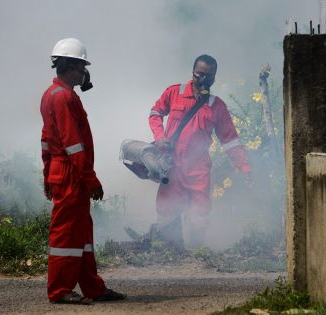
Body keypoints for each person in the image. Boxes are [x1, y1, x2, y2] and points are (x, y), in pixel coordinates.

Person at [40, 38, 125, 304]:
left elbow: (46, 140)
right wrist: (92, 180)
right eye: (81, 67)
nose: (83, 73)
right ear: (69, 66)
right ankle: (60, 290)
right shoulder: (64, 97)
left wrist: (46, 174)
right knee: (66, 234)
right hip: (70, 174)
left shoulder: (51, 95)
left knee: (82, 234)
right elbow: (73, 145)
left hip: (61, 171)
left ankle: (93, 287)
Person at [148, 54, 252, 248]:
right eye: (200, 74)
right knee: (167, 210)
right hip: (172, 165)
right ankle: (168, 252)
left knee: (199, 213)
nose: (204, 79)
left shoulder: (216, 106)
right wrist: (159, 137)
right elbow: (155, 113)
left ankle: (196, 256)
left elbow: (230, 140)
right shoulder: (175, 92)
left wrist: (244, 167)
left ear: (215, 77)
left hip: (198, 169)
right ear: (193, 73)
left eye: (210, 76)